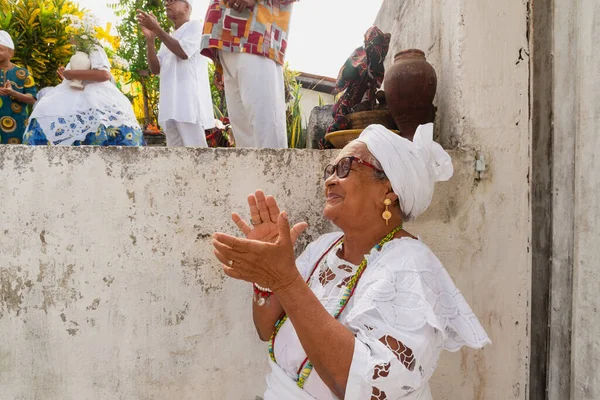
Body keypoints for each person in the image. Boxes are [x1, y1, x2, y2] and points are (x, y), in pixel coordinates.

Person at [211, 124, 490, 399]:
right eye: (329, 171)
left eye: (345, 167)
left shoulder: (410, 266)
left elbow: (359, 386)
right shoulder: (323, 248)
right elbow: (265, 329)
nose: (330, 180)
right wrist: (266, 277)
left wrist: (284, 279)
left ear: (388, 190)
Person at [200, 0, 299, 148]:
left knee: (267, 133)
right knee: (245, 141)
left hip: (257, 35)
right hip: (225, 41)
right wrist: (219, 65)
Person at [23, 45, 144, 146]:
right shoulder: (78, 52)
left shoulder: (93, 47)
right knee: (45, 113)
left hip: (95, 95)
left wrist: (72, 73)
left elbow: (104, 75)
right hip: (71, 92)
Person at [138, 0, 215, 147]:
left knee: (196, 154)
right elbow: (155, 69)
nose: (167, 4)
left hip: (188, 104)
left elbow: (183, 52)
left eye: (172, 1)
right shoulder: (167, 38)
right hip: (169, 106)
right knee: (175, 158)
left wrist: (157, 28)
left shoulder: (195, 26)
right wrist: (150, 41)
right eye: (166, 2)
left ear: (187, 7)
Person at [0, 31, 37, 145]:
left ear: (10, 52)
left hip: (18, 126)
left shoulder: (23, 73)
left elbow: (32, 100)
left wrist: (13, 93)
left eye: (0, 49)